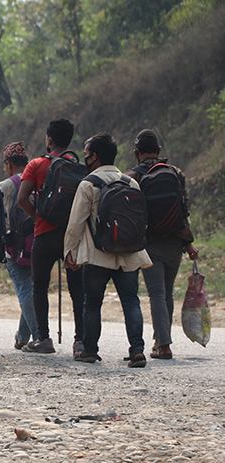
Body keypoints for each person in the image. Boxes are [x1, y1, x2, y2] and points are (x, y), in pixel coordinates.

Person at [64, 132, 152, 367]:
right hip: (129, 253)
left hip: (98, 255)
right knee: (131, 302)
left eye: (86, 155)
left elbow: (75, 223)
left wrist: (69, 252)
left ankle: (90, 350)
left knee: (92, 304)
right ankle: (137, 350)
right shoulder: (131, 182)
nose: (85, 159)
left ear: (94, 157)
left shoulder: (88, 184)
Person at [126, 130, 199, 359]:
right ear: (158, 151)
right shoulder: (175, 173)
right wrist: (188, 244)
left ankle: (164, 344)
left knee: (156, 293)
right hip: (175, 242)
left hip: (151, 243)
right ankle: (160, 340)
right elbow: (183, 209)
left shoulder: (132, 177)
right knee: (166, 292)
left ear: (136, 153)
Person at [17, 118, 85, 355]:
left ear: (49, 140)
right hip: (71, 236)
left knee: (40, 286)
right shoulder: (79, 166)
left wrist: (38, 217)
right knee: (77, 289)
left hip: (44, 234)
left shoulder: (36, 164)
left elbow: (22, 198)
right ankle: (80, 342)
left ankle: (43, 339)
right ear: (69, 141)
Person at [0, 142, 39, 349]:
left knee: (24, 291)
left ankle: (40, 336)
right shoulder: (37, 180)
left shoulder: (4, 186)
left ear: (8, 164)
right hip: (38, 243)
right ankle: (23, 336)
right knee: (30, 289)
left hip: (14, 247)